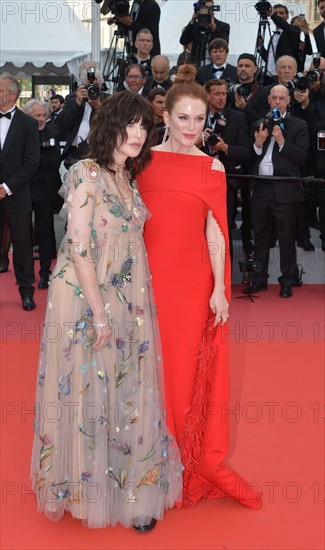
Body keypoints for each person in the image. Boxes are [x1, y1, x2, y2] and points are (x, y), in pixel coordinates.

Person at [30, 91, 182, 530]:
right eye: (130, 124)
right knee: (87, 385)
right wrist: (98, 312)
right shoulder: (86, 173)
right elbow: (77, 245)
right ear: (110, 125)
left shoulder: (126, 177)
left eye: (143, 127)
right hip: (84, 296)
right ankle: (86, 487)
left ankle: (128, 484)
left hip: (127, 297)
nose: (137, 134)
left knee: (127, 385)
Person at [137, 80, 262, 509]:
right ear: (165, 116)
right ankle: (147, 465)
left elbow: (215, 232)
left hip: (191, 286)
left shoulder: (213, 167)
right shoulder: (143, 161)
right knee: (148, 371)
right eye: (183, 117)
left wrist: (219, 290)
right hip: (146, 282)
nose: (191, 127)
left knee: (183, 372)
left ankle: (181, 461)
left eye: (199, 119)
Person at [248, 85, 310, 298]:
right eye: (273, 98)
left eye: (281, 98)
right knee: (261, 237)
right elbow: (251, 154)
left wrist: (282, 141)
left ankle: (287, 281)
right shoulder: (260, 123)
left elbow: (302, 157)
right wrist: (258, 144)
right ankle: (258, 279)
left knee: (286, 237)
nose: (276, 101)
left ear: (288, 100)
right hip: (261, 187)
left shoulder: (299, 125)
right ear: (268, 101)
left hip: (285, 189)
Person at [0, 74, 40, 310]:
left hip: (17, 195)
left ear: (13, 94)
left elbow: (32, 162)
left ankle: (26, 292)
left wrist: (6, 188)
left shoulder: (27, 124)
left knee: (23, 246)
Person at [24, 99, 62, 289]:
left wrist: (32, 159)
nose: (40, 119)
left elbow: (54, 162)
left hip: (45, 191)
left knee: (45, 232)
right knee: (23, 234)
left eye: (43, 115)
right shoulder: (20, 134)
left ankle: (45, 273)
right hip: (22, 189)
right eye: (36, 116)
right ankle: (26, 274)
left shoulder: (52, 131)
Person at [57, 64, 104, 169]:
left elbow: (112, 126)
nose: (92, 90)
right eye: (88, 86)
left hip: (99, 154)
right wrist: (77, 102)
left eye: (95, 85)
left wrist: (98, 106)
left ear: (101, 84)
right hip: (75, 154)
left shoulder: (109, 100)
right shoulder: (73, 99)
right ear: (82, 85)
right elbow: (64, 126)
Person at [258, 4, 301, 84]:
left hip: (283, 79)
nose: (278, 15)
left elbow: (291, 30)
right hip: (268, 79)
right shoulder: (273, 36)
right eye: (276, 13)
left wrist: (273, 15)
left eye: (281, 13)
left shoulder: (292, 32)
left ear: (287, 16)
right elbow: (270, 59)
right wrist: (260, 48)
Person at [180, 0, 230, 66]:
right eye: (206, 8)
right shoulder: (195, 26)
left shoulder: (223, 26)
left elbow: (224, 44)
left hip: (214, 65)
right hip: (196, 65)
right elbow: (183, 41)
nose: (210, 11)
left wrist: (214, 29)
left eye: (212, 8)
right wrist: (192, 21)